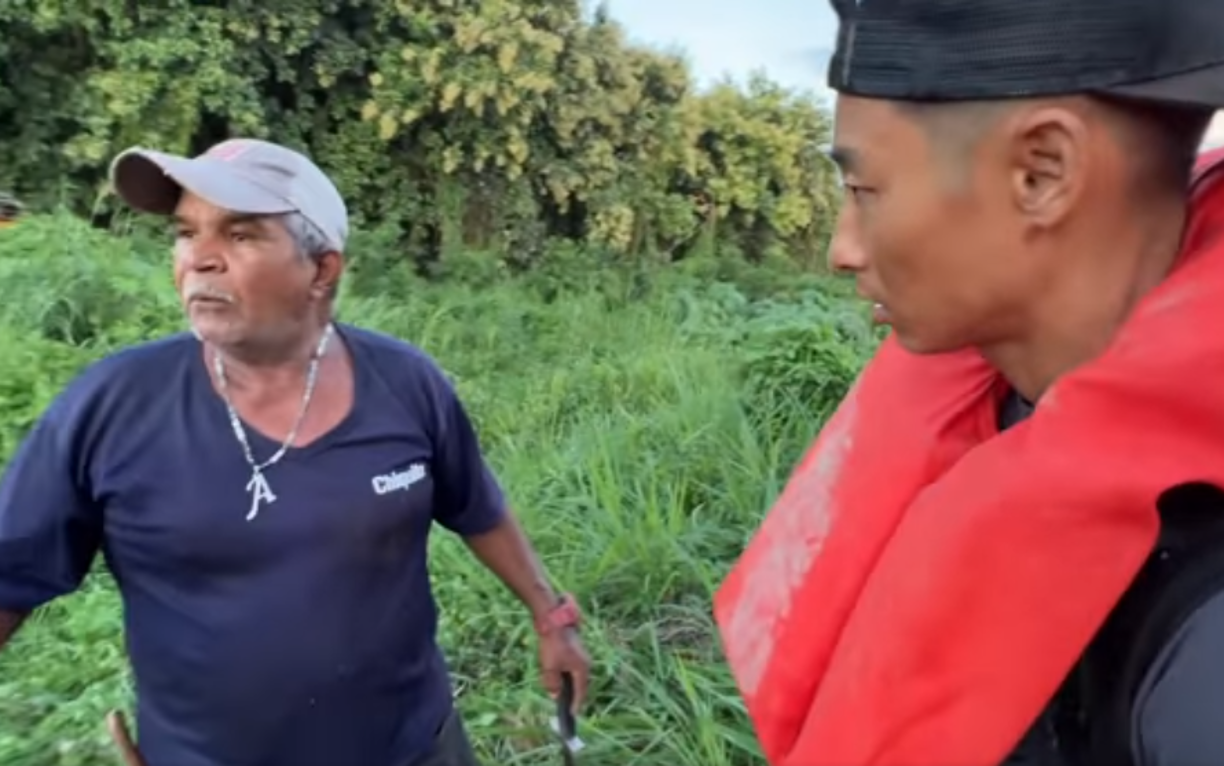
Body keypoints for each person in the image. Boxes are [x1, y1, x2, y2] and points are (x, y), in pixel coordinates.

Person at [713, 1, 1224, 765]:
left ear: (1042, 171)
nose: (840, 250)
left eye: (866, 192)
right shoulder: (1004, 403)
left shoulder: (1200, 661)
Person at [0, 138, 591, 766]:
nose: (199, 259)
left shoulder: (406, 384)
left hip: (415, 747)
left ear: (322, 270)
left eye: (241, 235)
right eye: (185, 232)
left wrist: (552, 618)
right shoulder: (110, 407)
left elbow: (479, 508)